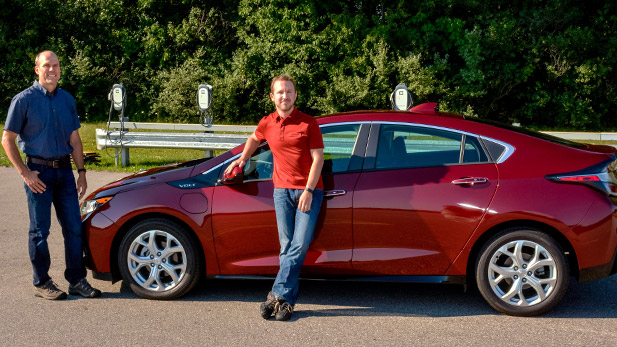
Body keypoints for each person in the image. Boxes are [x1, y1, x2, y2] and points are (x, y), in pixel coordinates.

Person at [1, 50, 101, 300]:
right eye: (47, 65)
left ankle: (77, 280)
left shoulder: (67, 99)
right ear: (37, 69)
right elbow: (7, 139)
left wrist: (81, 172)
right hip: (39, 174)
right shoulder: (23, 100)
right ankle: (42, 282)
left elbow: (75, 139)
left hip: (65, 173)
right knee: (40, 231)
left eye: (55, 65)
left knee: (74, 228)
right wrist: (25, 173)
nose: (52, 70)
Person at [224, 74, 324, 321]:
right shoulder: (268, 122)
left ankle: (275, 294)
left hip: (308, 191)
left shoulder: (308, 123)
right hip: (281, 191)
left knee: (299, 245)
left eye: (289, 91)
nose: (285, 96)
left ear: (295, 95)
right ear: (272, 97)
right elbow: (254, 138)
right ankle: (285, 303)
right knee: (286, 246)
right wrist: (243, 158)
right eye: (280, 92)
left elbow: (318, 158)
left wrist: (309, 190)